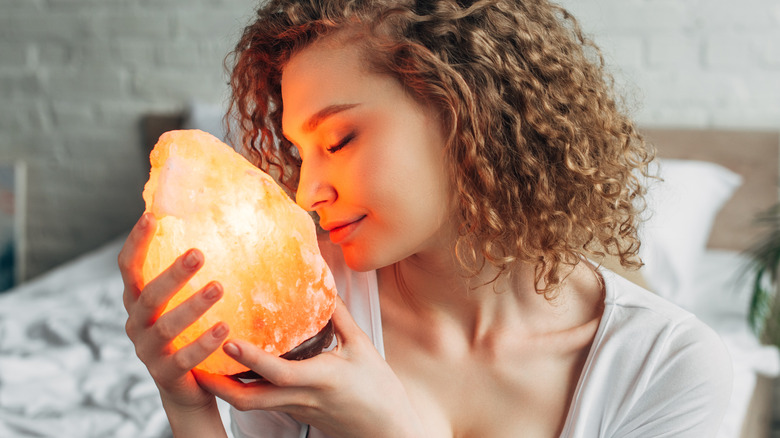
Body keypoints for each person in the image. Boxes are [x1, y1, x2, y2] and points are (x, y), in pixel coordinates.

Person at [118, 0, 733, 436]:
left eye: (338, 139)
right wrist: (189, 407)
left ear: (466, 110)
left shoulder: (668, 367)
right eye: (300, 154)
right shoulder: (302, 308)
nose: (306, 192)